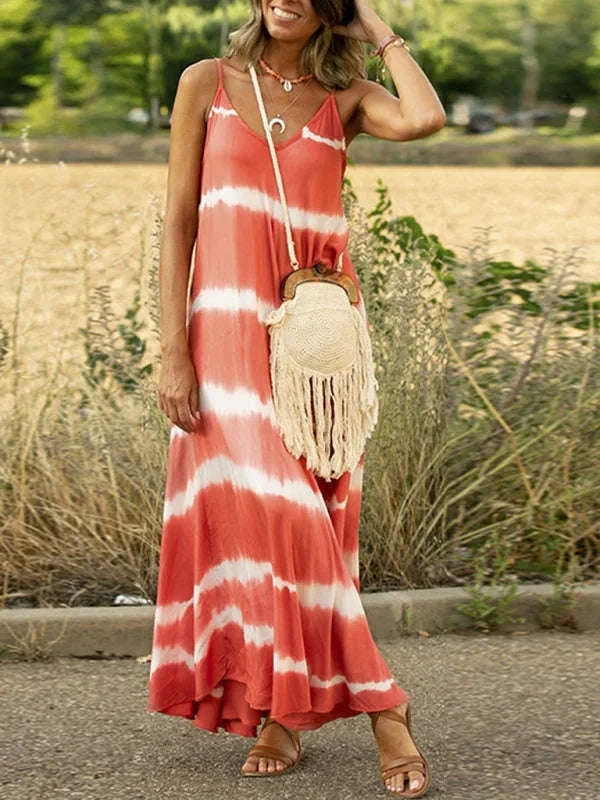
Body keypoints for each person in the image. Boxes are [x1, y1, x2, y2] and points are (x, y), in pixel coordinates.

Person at [146, 0, 446, 796]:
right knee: (271, 517)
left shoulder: (343, 99)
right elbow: (178, 219)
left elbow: (423, 118)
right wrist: (172, 349)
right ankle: (386, 708)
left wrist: (376, 29)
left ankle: (282, 712)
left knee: (310, 518)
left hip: (312, 351)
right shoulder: (204, 83)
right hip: (221, 340)